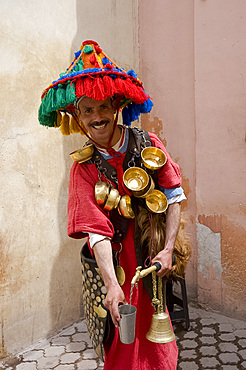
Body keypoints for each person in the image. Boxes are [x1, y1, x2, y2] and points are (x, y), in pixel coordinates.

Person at [39, 40, 188, 369]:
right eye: (87, 110)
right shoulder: (85, 169)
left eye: (103, 107)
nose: (97, 117)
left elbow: (175, 195)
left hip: (153, 252)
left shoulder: (148, 144)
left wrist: (168, 249)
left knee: (159, 329)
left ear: (117, 106)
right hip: (115, 263)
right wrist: (110, 284)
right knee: (119, 334)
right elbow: (96, 232)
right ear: (77, 118)